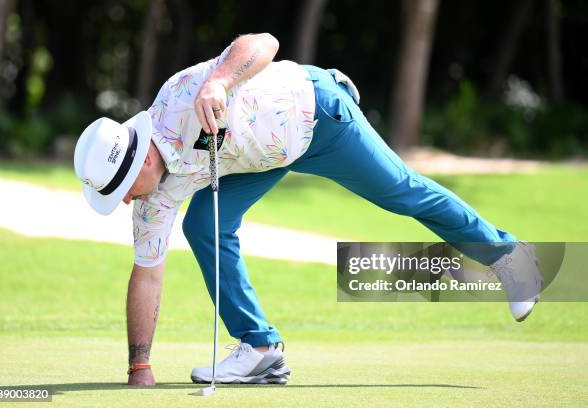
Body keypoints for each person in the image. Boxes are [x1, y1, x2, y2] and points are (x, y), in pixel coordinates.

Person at [73, 33, 541, 386]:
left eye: (123, 190)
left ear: (140, 160)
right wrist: (140, 367)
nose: (126, 201)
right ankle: (260, 347)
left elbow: (265, 42)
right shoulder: (151, 200)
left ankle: (508, 256)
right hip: (263, 157)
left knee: (403, 191)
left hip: (319, 116)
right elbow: (147, 272)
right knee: (204, 224)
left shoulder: (181, 95)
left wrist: (218, 81)